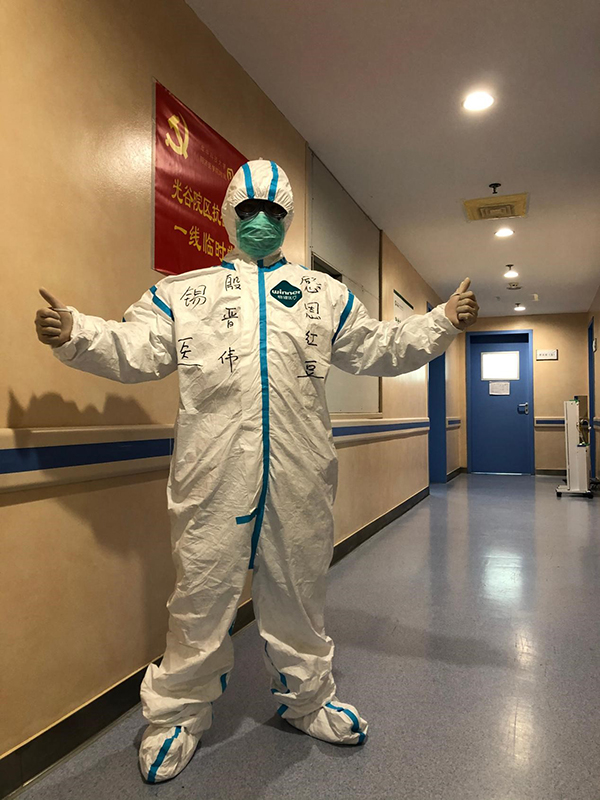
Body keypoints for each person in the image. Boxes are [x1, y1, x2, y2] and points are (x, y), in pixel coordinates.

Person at [35, 159, 479, 783]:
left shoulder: (323, 294)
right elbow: (136, 348)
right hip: (211, 474)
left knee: (299, 592)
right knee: (200, 595)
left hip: (299, 472)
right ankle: (177, 715)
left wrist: (441, 322)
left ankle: (309, 700)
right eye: (249, 210)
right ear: (228, 214)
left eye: (273, 211)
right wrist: (75, 333)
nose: (261, 221)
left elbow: (377, 346)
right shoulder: (185, 294)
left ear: (288, 218)